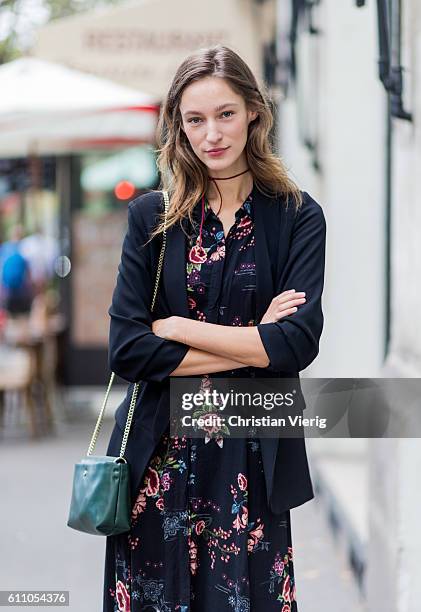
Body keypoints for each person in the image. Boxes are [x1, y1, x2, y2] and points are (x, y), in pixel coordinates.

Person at [103, 44, 326, 612]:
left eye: (225, 114)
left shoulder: (297, 217)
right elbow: (128, 349)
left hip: (253, 459)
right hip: (159, 460)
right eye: (195, 120)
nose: (212, 135)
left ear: (254, 110)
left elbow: (296, 343)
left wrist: (176, 326)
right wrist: (253, 345)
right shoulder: (152, 218)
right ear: (178, 126)